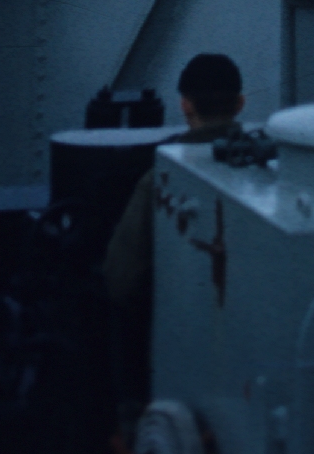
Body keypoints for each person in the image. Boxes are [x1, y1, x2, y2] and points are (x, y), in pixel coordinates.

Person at [102, 51, 247, 317]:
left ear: (185, 105)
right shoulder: (264, 169)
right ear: (240, 103)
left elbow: (121, 281)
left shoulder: (160, 178)